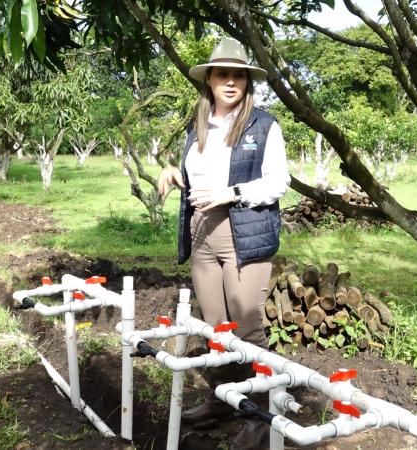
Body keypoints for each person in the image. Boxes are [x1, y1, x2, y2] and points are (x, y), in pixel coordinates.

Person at [157, 37, 290, 449]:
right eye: (222, 75)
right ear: (209, 81)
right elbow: (194, 171)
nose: (230, 82)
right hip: (202, 235)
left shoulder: (263, 125)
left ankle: (261, 415)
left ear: (247, 82)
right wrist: (170, 172)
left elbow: (278, 182)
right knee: (217, 328)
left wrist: (230, 193)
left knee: (247, 328)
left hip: (242, 234)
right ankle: (222, 400)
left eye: (239, 76)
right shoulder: (197, 123)